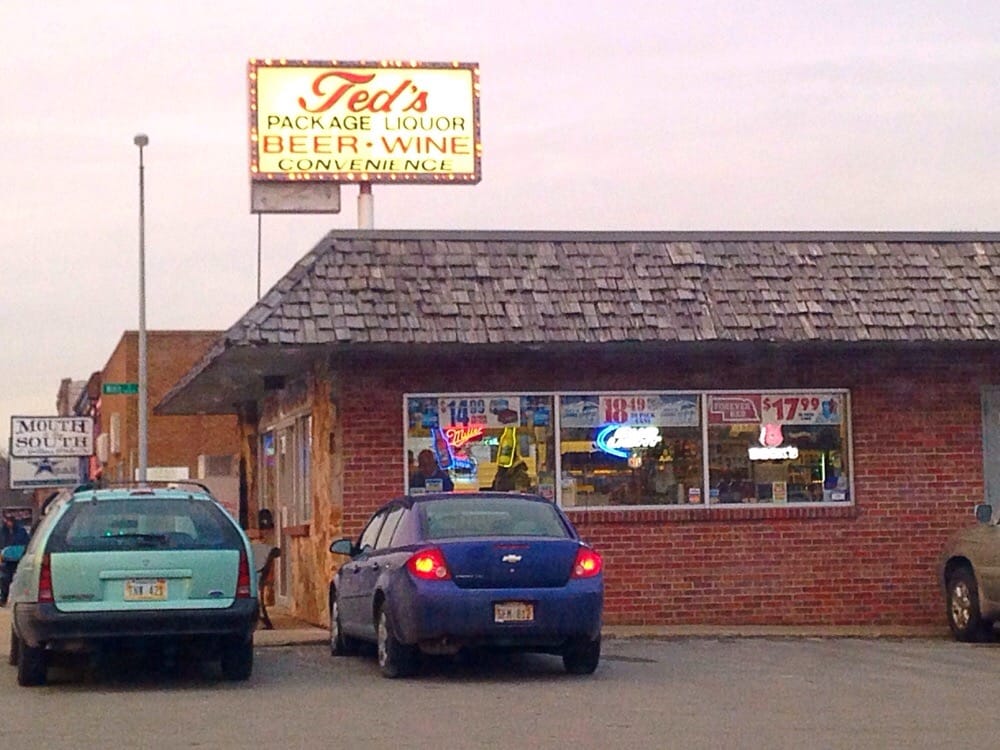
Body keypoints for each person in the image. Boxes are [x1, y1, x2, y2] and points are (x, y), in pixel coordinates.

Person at [0, 514, 30, 605]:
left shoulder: (21, 531)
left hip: (18, 558)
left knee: (21, 579)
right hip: (6, 559)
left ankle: (22, 598)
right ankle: (3, 598)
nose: (8, 523)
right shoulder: (2, 532)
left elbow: (26, 542)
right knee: (5, 579)